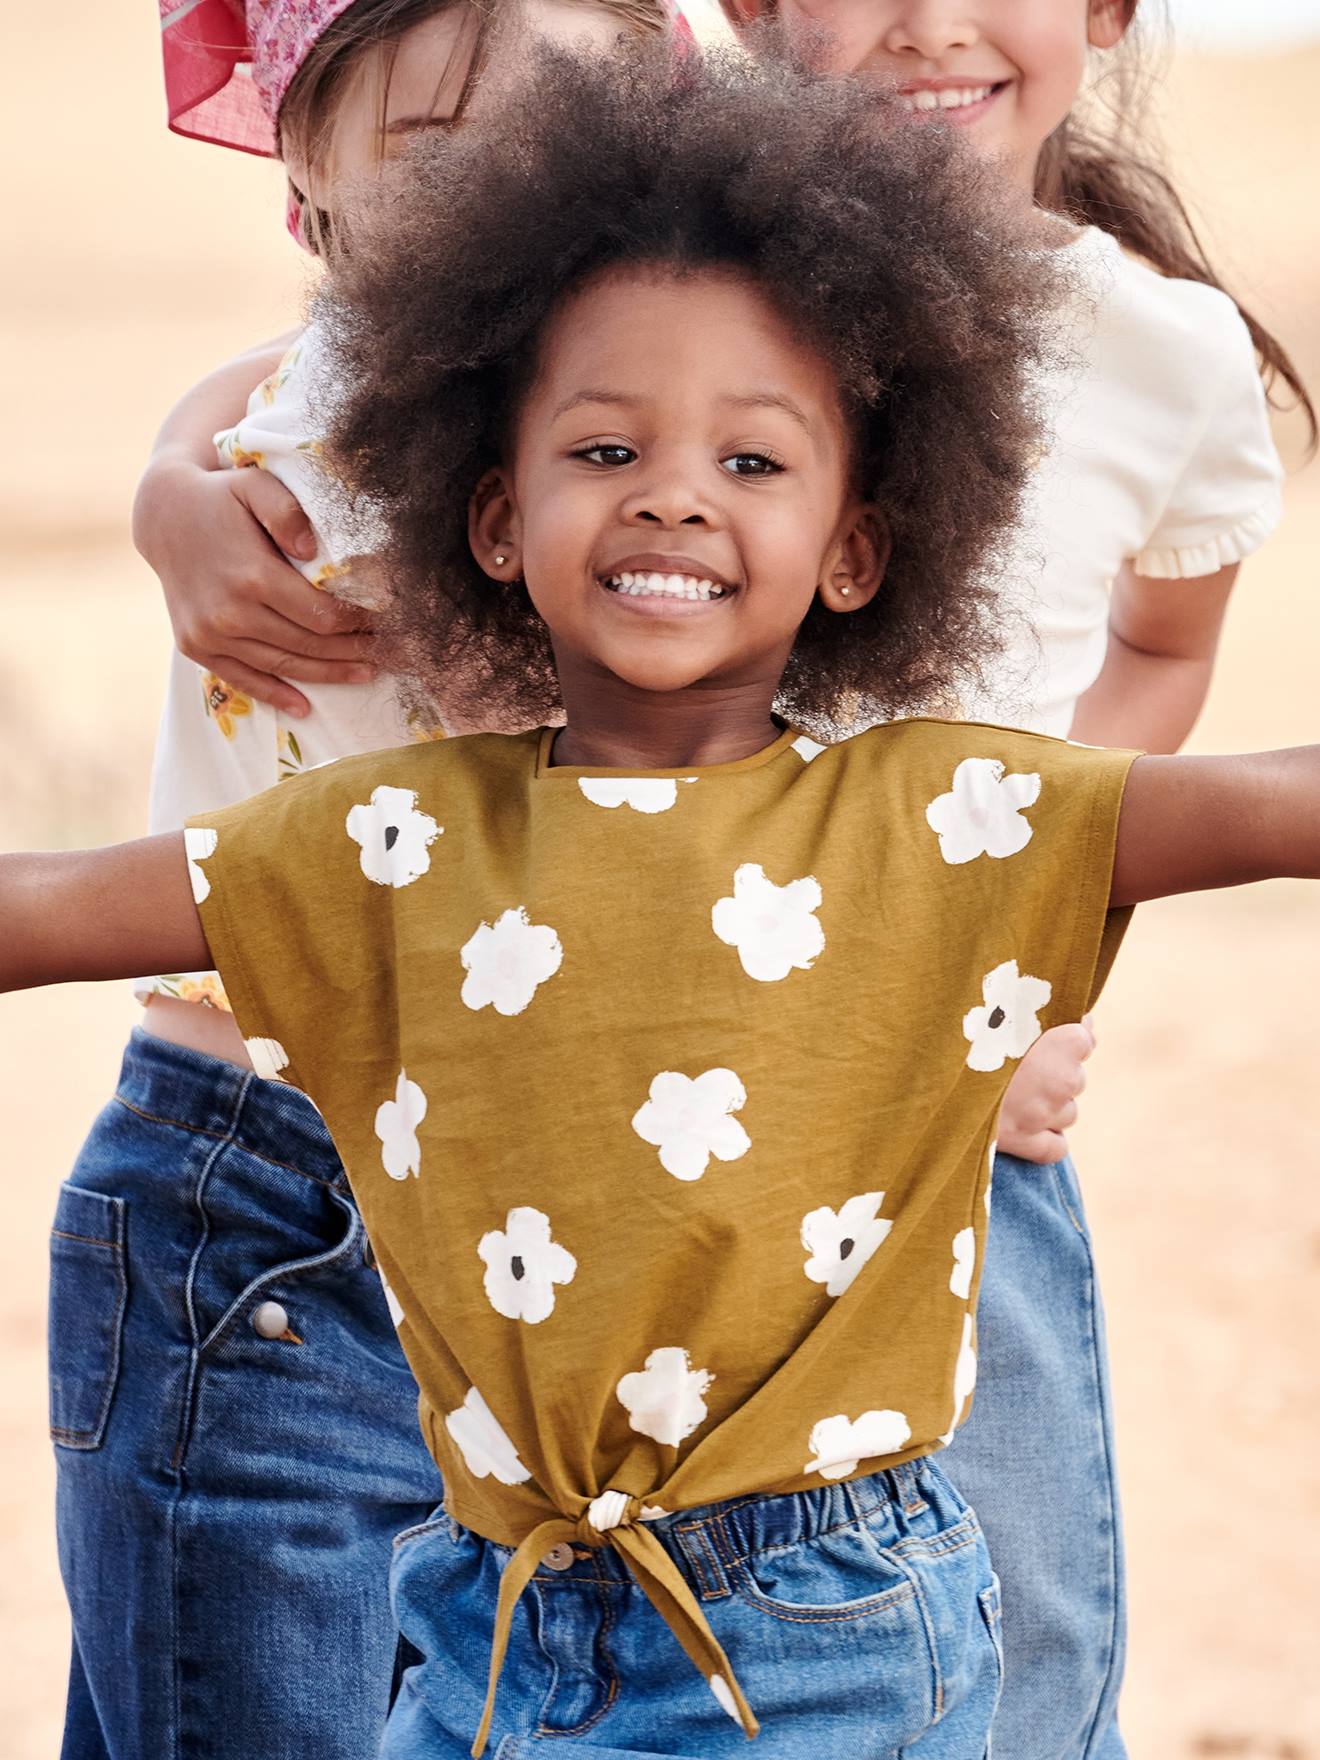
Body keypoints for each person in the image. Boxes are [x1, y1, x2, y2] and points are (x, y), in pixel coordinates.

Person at [15, 44, 1320, 1759]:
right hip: (486, 1634)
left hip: (834, 1634)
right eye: (606, 442)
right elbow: (44, 911)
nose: (677, 492)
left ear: (861, 545)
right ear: (493, 515)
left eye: (758, 464)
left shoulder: (954, 818)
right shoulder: (380, 843)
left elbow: (1284, 803)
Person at [50, 7, 670, 1760]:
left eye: (562, 134)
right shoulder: (366, 439)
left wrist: (170, 476)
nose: (507, 186)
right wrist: (182, 483)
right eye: (431, 146)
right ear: (304, 177)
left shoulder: (605, 417)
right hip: (277, 1196)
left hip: (537, 1207)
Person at [730, 4, 1312, 1750]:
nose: (929, 23)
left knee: (1020, 1665)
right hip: (647, 1116)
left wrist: (1033, 962)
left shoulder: (1163, 353)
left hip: (967, 1151)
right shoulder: (674, 273)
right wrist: (172, 494)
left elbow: (1154, 654)